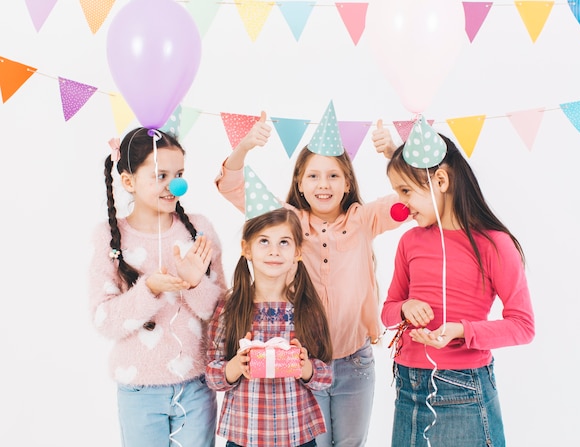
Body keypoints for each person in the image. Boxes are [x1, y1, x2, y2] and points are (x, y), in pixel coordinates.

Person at [215, 108, 405, 446]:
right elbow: (232, 187)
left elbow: (411, 200)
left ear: (348, 183)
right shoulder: (289, 222)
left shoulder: (365, 218)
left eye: (333, 176)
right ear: (300, 184)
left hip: (355, 360)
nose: (324, 185)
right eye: (313, 176)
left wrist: (394, 155)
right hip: (304, 358)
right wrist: (243, 148)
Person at [381, 123, 535, 447]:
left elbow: (523, 326)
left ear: (441, 181)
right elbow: (388, 313)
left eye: (406, 191)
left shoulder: (495, 245)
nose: (400, 204)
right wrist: (406, 307)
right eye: (397, 192)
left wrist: (462, 331)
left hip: (464, 388)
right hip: (408, 386)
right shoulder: (409, 242)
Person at [89, 127, 226, 447]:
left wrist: (194, 284)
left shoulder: (200, 230)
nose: (174, 184)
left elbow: (221, 314)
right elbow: (105, 320)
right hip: (139, 391)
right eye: (160, 175)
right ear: (128, 181)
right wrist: (148, 289)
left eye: (178, 173)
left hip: (196, 386)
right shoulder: (108, 238)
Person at [206, 207, 333, 447]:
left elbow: (326, 375)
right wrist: (235, 366)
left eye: (284, 242)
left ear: (297, 252)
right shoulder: (230, 307)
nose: (274, 251)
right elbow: (213, 375)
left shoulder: (306, 309)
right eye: (264, 241)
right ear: (247, 249)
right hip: (245, 433)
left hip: (297, 434)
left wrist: (306, 367)